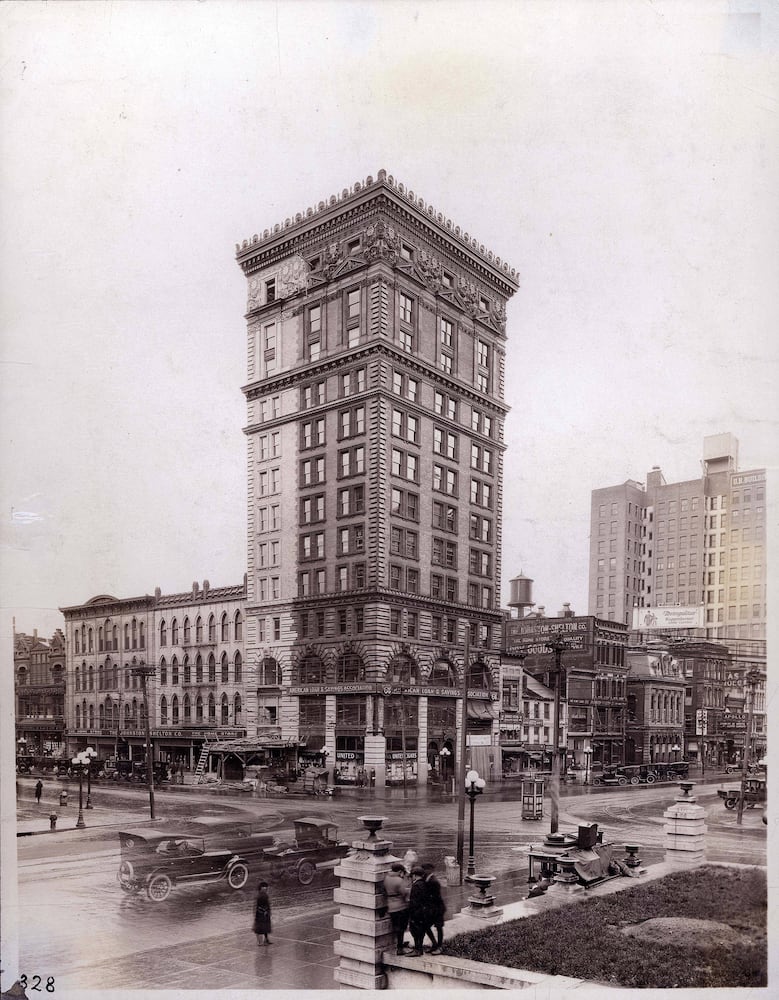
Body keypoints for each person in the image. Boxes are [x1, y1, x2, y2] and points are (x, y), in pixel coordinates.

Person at [383, 863, 411, 954]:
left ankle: (399, 944)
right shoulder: (399, 880)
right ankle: (400, 948)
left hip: (391, 906)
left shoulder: (387, 878)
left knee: (396, 927)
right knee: (402, 928)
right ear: (399, 871)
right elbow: (404, 893)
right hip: (401, 906)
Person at [422, 863, 446, 954]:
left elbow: (435, 897)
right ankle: (435, 944)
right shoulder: (427, 879)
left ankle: (439, 946)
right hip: (433, 908)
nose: (424, 872)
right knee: (426, 926)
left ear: (430, 870)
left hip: (437, 908)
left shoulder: (433, 881)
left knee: (438, 927)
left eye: (425, 869)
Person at [406, 867, 429, 956]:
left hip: (416, 912)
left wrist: (410, 912)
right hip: (424, 912)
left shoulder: (416, 886)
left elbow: (414, 902)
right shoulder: (425, 884)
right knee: (421, 931)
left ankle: (417, 949)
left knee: (414, 930)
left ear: (414, 875)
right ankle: (420, 948)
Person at [253, 881, 272, 945]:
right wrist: (265, 911)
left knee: (265, 927)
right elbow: (258, 906)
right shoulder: (260, 896)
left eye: (266, 887)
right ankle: (260, 942)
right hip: (261, 914)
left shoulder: (264, 895)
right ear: (261, 888)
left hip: (264, 913)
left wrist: (268, 911)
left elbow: (267, 905)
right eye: (264, 887)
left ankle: (266, 940)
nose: (266, 889)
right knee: (260, 928)